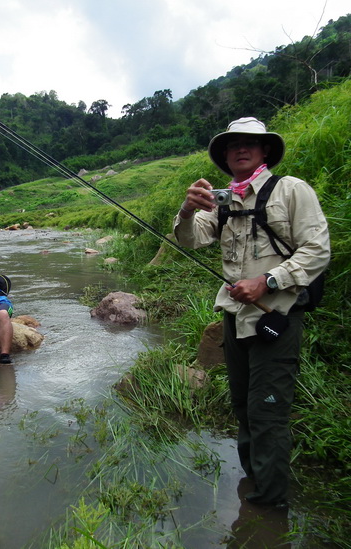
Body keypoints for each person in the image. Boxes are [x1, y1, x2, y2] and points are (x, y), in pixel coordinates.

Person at [173, 117, 330, 507]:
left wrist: (268, 281)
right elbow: (191, 240)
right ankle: (253, 482)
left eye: (250, 143)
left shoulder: (291, 190)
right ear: (225, 156)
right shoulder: (222, 200)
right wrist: (188, 210)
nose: (240, 149)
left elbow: (318, 250)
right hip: (233, 318)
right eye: (232, 145)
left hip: (275, 316)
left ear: (264, 151)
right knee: (243, 405)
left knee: (268, 411)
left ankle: (270, 503)